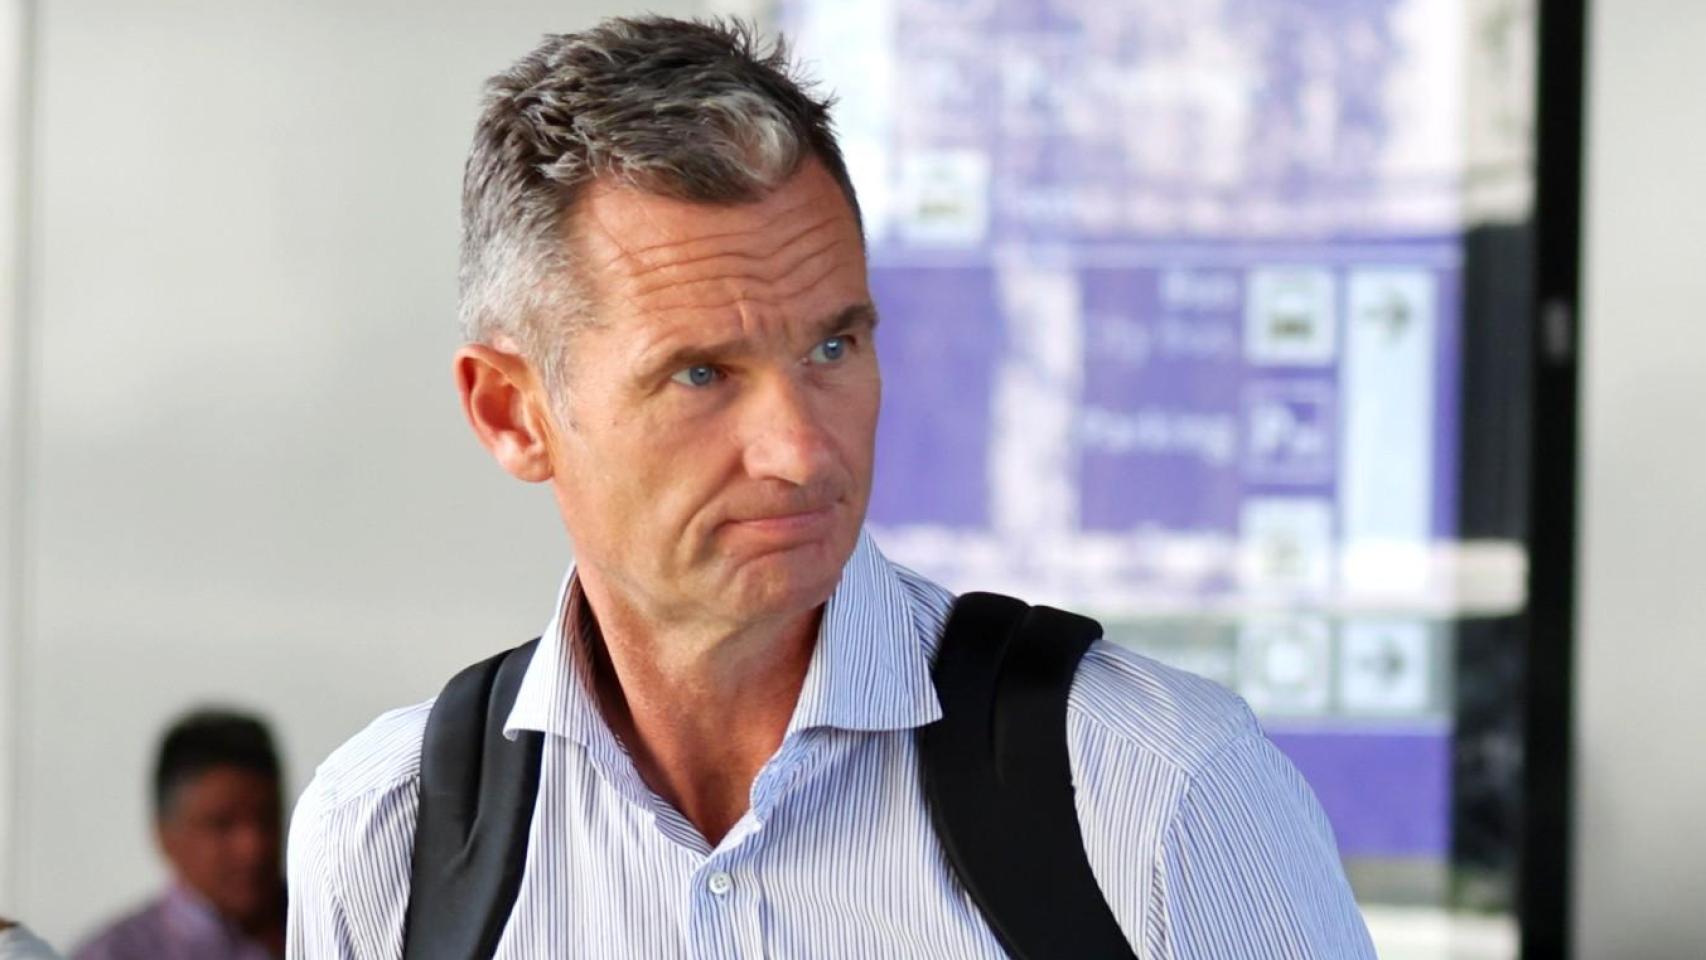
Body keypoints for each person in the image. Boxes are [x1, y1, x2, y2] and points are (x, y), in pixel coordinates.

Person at [288, 15, 1376, 958]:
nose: (801, 451)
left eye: (831, 348)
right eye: (702, 374)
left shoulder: (1157, 793)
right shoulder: (384, 840)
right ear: (511, 413)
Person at [75, 710, 286, 960]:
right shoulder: (116, 954)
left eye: (268, 818)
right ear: (165, 835)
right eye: (222, 825)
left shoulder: (321, 923)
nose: (254, 847)